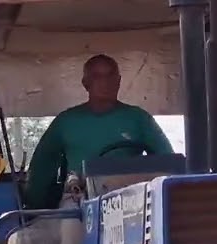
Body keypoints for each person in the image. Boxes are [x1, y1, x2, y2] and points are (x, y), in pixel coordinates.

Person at [22, 54, 175, 209]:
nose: (105, 82)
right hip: (78, 199)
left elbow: (168, 162)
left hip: (131, 198)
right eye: (97, 76)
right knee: (69, 221)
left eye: (110, 76)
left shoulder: (139, 119)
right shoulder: (66, 122)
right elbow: (42, 166)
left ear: (118, 81)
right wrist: (34, 205)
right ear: (85, 83)